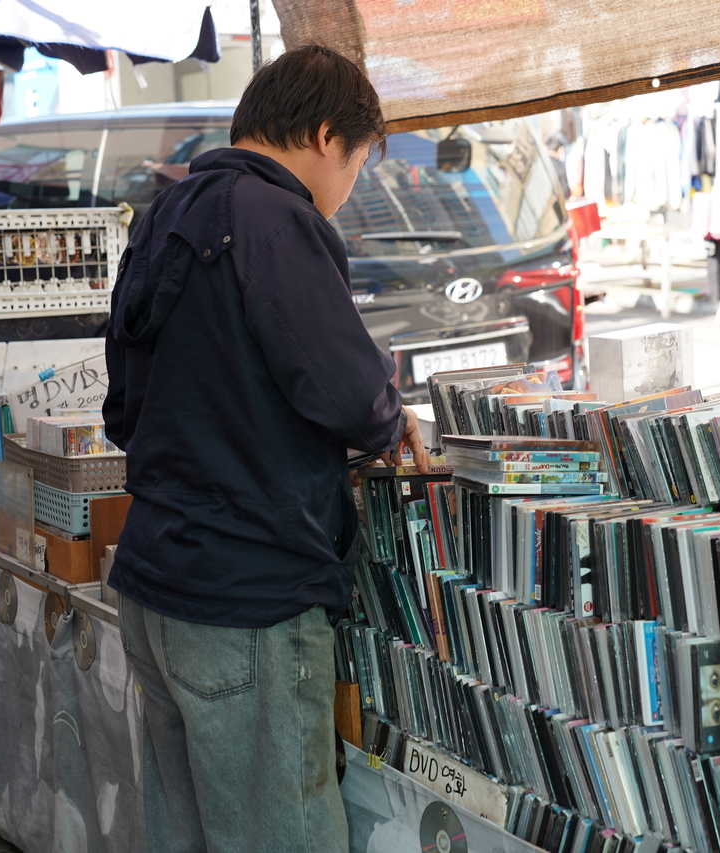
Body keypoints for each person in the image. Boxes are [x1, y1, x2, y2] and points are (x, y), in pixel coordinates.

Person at [103, 45, 430, 853]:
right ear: (326, 137)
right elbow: (348, 392)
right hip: (245, 595)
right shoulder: (276, 220)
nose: (347, 193)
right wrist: (390, 421)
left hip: (155, 581)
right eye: (355, 165)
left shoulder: (166, 212)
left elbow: (123, 411)